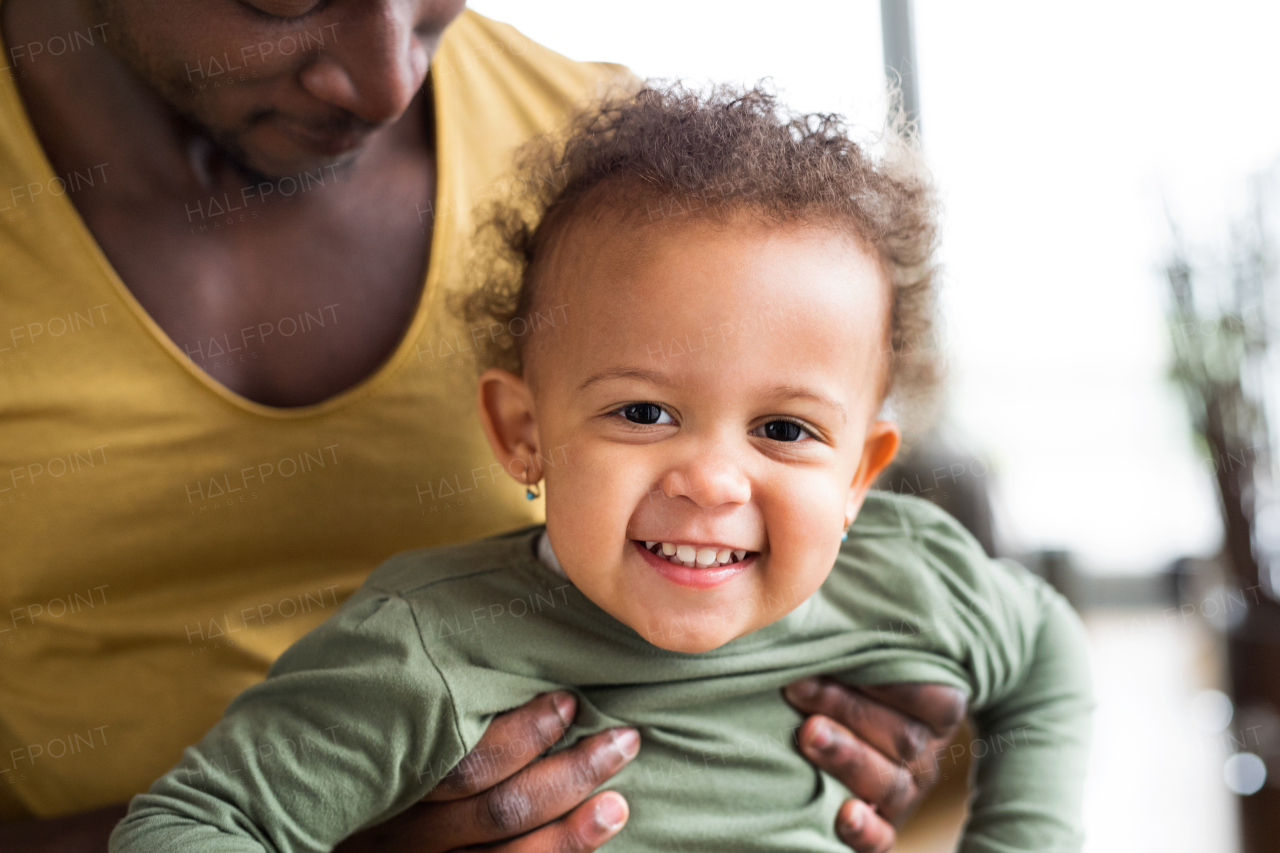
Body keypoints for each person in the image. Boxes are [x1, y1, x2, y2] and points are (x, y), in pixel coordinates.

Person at [0, 2, 969, 851]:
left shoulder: (613, 183)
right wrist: (307, 819)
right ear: (513, 425)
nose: (386, 82)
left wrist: (853, 703)